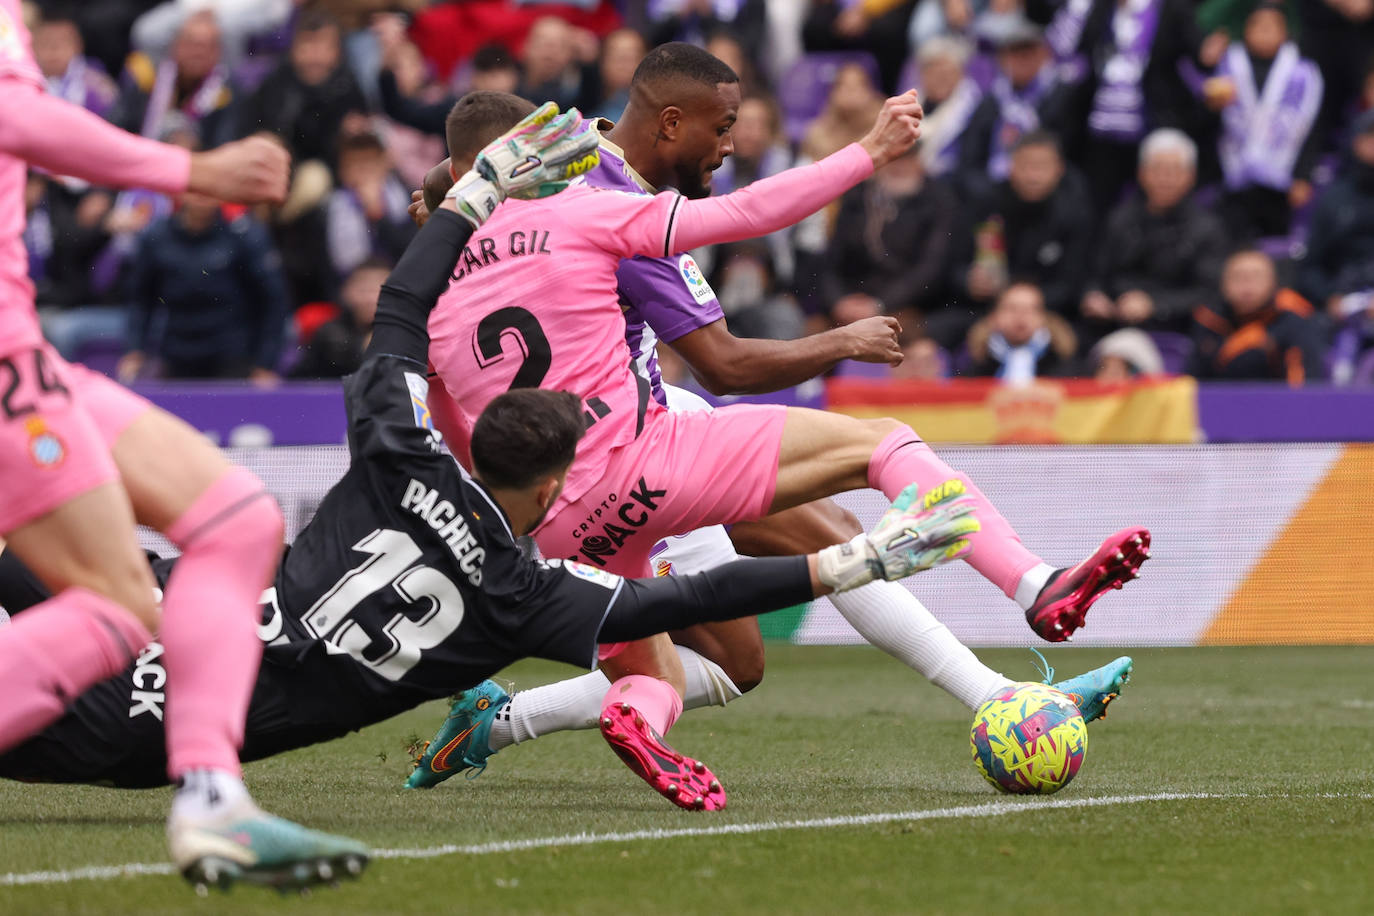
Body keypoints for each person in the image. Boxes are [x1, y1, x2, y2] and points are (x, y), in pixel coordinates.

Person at [0, 134, 982, 802]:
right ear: (554, 487)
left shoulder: (397, 454)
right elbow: (673, 604)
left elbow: (395, 312)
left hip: (172, 606)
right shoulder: (516, 595)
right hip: (146, 723)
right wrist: (847, 565)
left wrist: (472, 194)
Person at [417, 47, 1150, 807]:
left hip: (555, 507)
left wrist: (438, 192)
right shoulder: (595, 206)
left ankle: (501, 721)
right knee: (855, 488)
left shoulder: (434, 285)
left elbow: (448, 408)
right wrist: (860, 190)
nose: (733, 145)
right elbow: (727, 351)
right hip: (648, 443)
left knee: (726, 662)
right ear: (671, 123)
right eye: (724, 126)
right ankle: (1022, 629)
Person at [0, 0, 363, 892]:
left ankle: (211, 795)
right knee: (121, 604)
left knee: (238, 519)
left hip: (26, 351)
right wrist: (189, 167)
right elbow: (13, 116)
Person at [119, 185, 290, 383]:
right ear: (179, 191)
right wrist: (134, 350)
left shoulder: (244, 235)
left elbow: (273, 299)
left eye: (208, 187)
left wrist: (266, 364)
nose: (201, 195)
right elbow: (140, 298)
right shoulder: (156, 236)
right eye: (194, 187)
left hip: (232, 356)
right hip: (176, 354)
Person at [1081, 128, 1228, 339]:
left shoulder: (1208, 228)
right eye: (1158, 169)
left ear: (1191, 177)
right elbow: (1096, 273)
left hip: (1176, 329)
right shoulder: (1120, 219)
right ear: (1141, 174)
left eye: (1175, 171)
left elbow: (1209, 293)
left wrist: (1155, 305)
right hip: (1115, 324)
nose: (1165, 179)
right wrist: (1094, 296)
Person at [1206, 0, 1325, 240]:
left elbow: (1312, 129)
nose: (1264, 31)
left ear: (1286, 31)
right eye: (1257, 25)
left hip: (1281, 179)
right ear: (1245, 29)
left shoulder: (1303, 74)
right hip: (1233, 175)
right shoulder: (1228, 65)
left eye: (1273, 25)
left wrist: (1303, 175)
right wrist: (1210, 101)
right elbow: (1209, 124)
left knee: (1276, 244)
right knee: (1231, 239)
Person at [1189, 249, 1326, 383]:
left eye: (1256, 277)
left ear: (1273, 283)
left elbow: (1304, 385)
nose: (1247, 285)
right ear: (1223, 284)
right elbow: (1191, 381)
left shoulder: (1293, 320)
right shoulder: (1208, 320)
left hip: (1275, 403)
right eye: (1238, 277)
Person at [962, 281, 1079, 380]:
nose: (1020, 316)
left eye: (1030, 310)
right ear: (995, 316)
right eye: (1012, 309)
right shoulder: (976, 363)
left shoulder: (1064, 364)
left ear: (1043, 318)